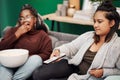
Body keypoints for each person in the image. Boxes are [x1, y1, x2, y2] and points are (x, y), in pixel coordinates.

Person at [33, 0, 120, 80]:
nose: (95, 25)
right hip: (73, 66)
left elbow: (118, 70)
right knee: (38, 74)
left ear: (111, 23)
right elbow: (71, 47)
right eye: (94, 21)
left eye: (99, 21)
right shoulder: (89, 36)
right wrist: (58, 50)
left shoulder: (117, 45)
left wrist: (104, 72)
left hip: (88, 76)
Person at [0, 4, 52, 80]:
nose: (24, 20)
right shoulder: (13, 31)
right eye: (21, 18)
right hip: (9, 64)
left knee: (36, 59)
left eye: (27, 17)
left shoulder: (42, 35)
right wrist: (18, 34)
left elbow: (47, 53)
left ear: (34, 20)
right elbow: (1, 48)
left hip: (27, 66)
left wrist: (27, 58)